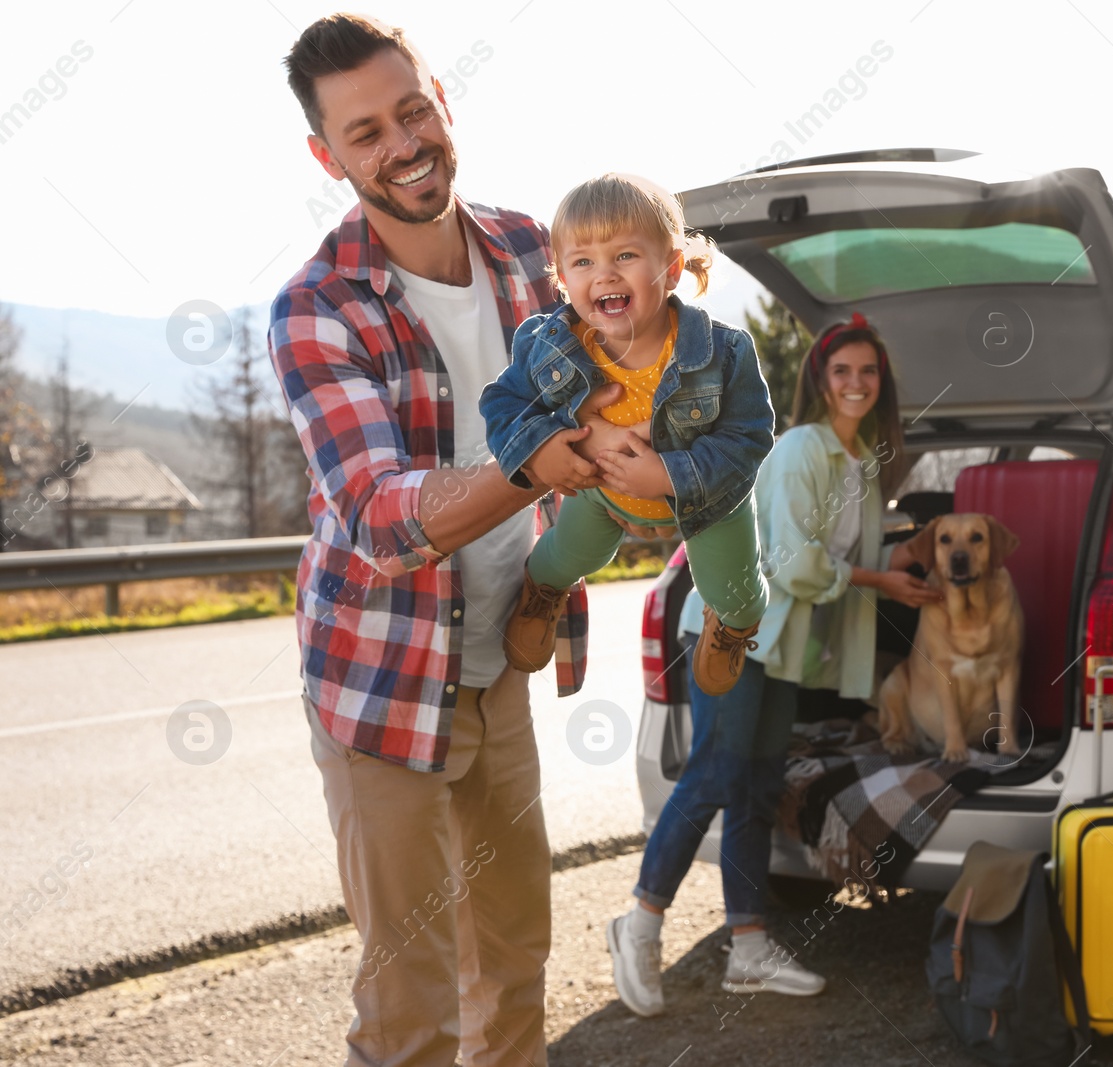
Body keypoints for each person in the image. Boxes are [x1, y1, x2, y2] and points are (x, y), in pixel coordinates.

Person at [269, 15, 621, 1066]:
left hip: (498, 657)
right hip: (378, 680)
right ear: (329, 157)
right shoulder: (316, 309)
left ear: (444, 102)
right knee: (411, 1010)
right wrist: (535, 468)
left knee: (513, 967)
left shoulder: (531, 250)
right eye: (366, 130)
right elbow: (381, 518)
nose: (403, 143)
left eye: (412, 109)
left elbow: (630, 366)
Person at [605, 312, 943, 1016]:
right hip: (732, 629)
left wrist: (898, 559)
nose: (855, 382)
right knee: (713, 775)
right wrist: (882, 582)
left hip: (780, 645)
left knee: (759, 786)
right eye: (842, 369)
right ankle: (638, 923)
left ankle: (750, 947)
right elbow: (795, 563)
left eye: (867, 371)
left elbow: (843, 557)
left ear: (882, 385)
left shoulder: (857, 463)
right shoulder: (800, 450)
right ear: (820, 378)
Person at [481, 173, 774, 696]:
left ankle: (733, 626)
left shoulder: (724, 353)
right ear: (562, 279)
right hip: (602, 487)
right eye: (584, 261)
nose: (604, 275)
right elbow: (502, 404)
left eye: (626, 257)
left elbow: (749, 438)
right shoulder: (550, 347)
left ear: (672, 268)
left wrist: (668, 473)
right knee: (568, 555)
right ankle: (542, 589)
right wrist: (546, 444)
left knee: (736, 593)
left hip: (708, 500)